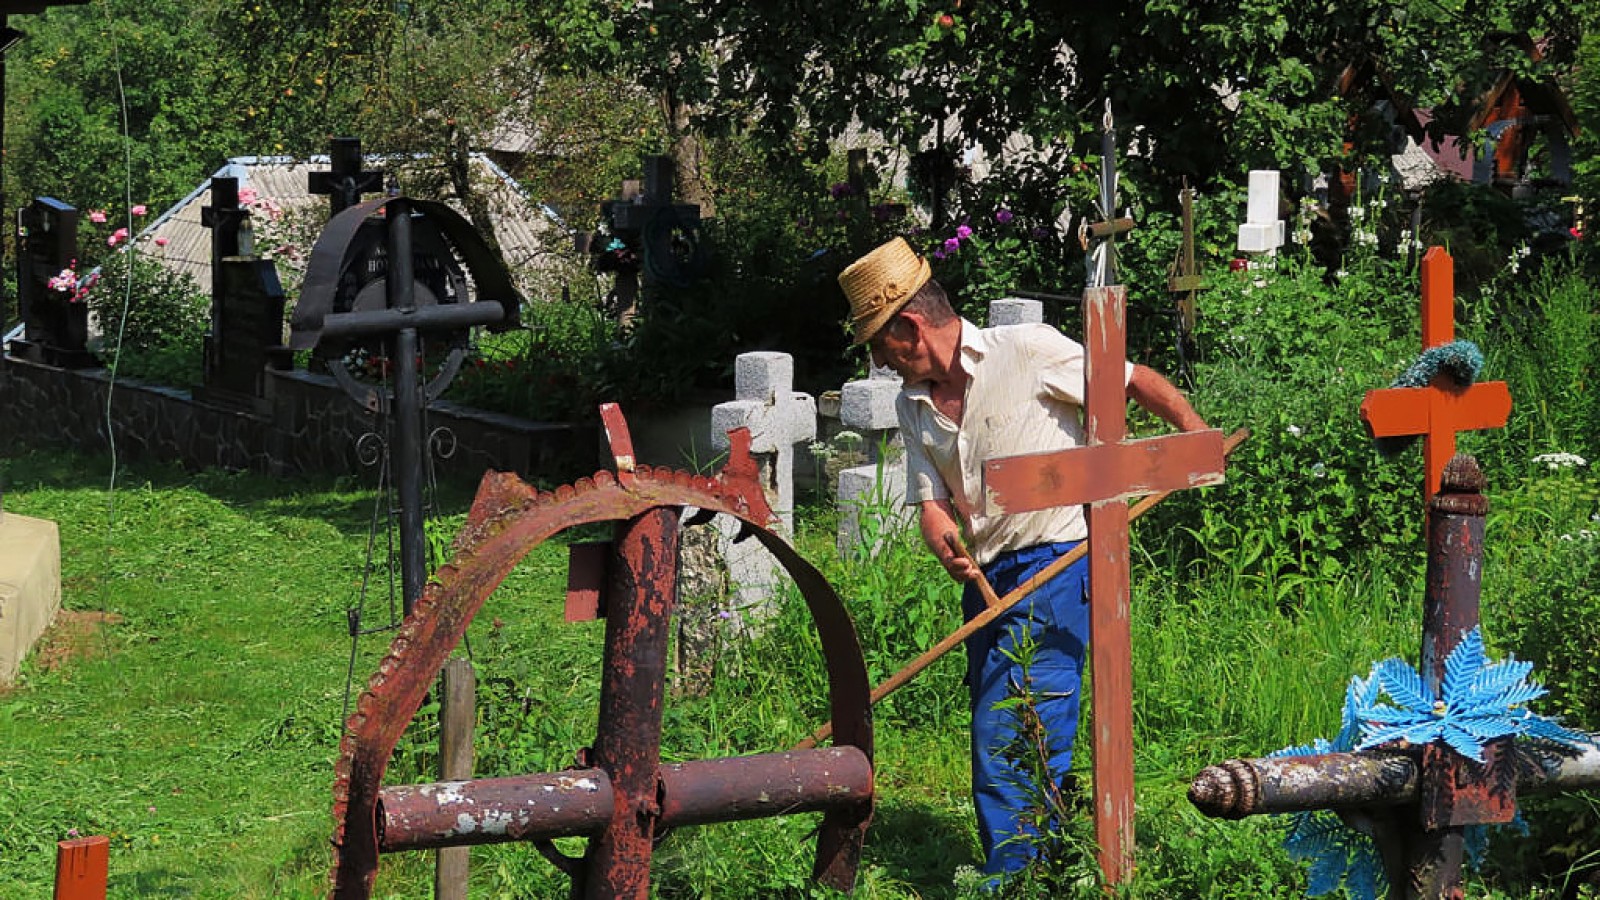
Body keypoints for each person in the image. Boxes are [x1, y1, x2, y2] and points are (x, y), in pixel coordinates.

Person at [836, 236, 1209, 879]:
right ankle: (1052, 864)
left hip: (1054, 566)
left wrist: (1196, 438)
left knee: (1009, 732)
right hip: (986, 582)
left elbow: (1129, 379)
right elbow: (931, 501)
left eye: (877, 341)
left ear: (909, 325)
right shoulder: (912, 401)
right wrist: (943, 540)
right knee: (1025, 729)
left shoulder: (1027, 351)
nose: (877, 357)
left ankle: (1015, 881)